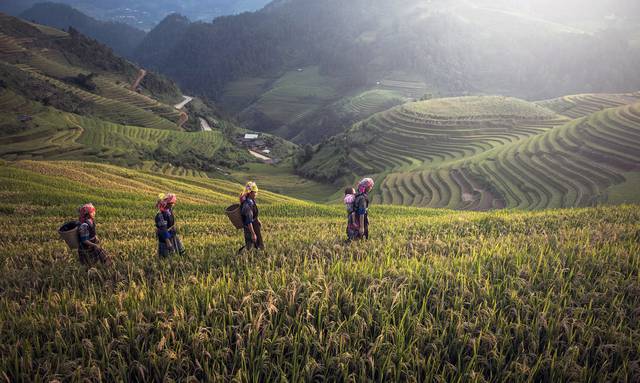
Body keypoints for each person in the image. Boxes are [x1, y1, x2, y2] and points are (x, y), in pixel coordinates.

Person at [155, 193, 186, 257]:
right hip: (165, 238)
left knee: (180, 251)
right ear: (166, 203)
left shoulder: (168, 210)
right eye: (171, 203)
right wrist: (168, 242)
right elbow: (163, 230)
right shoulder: (160, 215)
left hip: (172, 234)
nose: (173, 205)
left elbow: (171, 222)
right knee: (167, 256)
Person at [238, 181, 263, 253]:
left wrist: (257, 220)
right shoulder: (247, 205)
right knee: (250, 245)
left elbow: (254, 212)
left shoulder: (251, 201)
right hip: (249, 228)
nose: (256, 194)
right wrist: (253, 233)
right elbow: (249, 221)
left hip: (254, 225)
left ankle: (255, 255)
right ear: (250, 193)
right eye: (255, 192)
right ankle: (241, 255)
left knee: (256, 244)